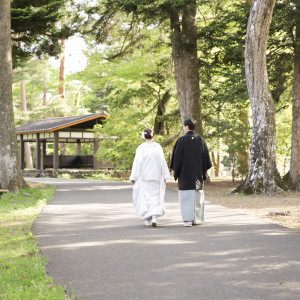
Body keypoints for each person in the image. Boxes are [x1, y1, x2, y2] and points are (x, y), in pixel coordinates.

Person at [170, 119, 212, 227]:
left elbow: (177, 158)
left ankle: (188, 220)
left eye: (184, 126)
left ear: (187, 127)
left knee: (186, 197)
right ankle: (197, 219)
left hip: (185, 175)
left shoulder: (182, 140)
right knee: (197, 196)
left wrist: (175, 169)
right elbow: (205, 157)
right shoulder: (200, 140)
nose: (183, 128)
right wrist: (205, 170)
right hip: (197, 174)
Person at [130, 128, 171, 227]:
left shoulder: (141, 148)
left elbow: (137, 163)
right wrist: (165, 175)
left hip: (145, 176)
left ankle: (147, 219)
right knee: (156, 197)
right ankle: (154, 218)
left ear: (144, 136)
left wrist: (133, 177)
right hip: (157, 176)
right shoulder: (158, 147)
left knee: (146, 198)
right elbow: (163, 162)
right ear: (153, 136)